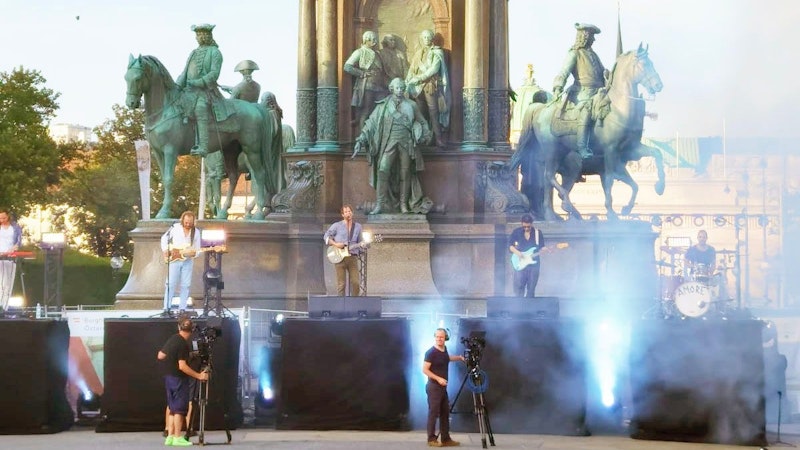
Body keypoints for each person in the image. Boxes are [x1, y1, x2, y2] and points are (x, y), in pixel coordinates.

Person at [353, 77, 433, 215]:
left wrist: (425, 135)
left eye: (402, 88)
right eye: (397, 88)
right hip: (388, 142)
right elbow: (370, 124)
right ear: (392, 89)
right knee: (383, 169)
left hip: (407, 143)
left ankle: (403, 205)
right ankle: (380, 204)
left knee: (405, 173)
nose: (400, 90)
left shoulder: (412, 105)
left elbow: (423, 122)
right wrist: (360, 140)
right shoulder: (383, 105)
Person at [552, 23, 608, 159]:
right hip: (582, 92)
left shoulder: (594, 55)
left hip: (599, 92)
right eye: (592, 36)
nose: (594, 39)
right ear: (585, 37)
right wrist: (558, 86)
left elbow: (601, 72)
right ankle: (582, 146)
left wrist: (607, 74)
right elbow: (564, 72)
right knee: (586, 111)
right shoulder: (574, 53)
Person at [176, 24, 232, 157]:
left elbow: (214, 74)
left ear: (207, 35)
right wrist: (177, 86)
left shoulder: (215, 52)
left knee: (200, 109)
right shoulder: (193, 53)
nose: (199, 37)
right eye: (197, 35)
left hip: (206, 91)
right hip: (189, 90)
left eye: (201, 34)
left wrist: (199, 82)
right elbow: (185, 72)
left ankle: (203, 146)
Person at [157, 316, 208, 447]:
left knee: (172, 407)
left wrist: (173, 357)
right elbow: (182, 366)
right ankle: (178, 437)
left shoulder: (173, 339)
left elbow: (160, 355)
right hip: (179, 379)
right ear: (192, 330)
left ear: (179, 327)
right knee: (179, 409)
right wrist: (199, 376)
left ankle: (170, 436)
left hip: (169, 377)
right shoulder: (183, 344)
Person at [406, 29, 450, 148]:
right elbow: (412, 69)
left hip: (429, 85)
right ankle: (423, 137)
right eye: (424, 37)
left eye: (428, 37)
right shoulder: (418, 53)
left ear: (432, 39)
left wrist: (419, 78)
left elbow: (434, 69)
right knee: (420, 112)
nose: (426, 39)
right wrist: (408, 80)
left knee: (433, 112)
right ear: (421, 39)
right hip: (417, 88)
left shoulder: (437, 52)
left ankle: (438, 139)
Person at [423, 328, 464, 447]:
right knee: (433, 413)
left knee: (445, 413)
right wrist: (438, 379)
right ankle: (431, 439)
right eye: (437, 337)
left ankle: (446, 439)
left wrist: (459, 358)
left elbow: (446, 358)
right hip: (434, 387)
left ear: (445, 338)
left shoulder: (444, 349)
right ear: (434, 337)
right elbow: (425, 370)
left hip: (442, 388)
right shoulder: (430, 352)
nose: (439, 339)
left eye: (441, 337)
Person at [344, 30, 387, 131]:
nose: (374, 42)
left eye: (375, 39)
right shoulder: (359, 52)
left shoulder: (378, 54)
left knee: (380, 110)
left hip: (380, 86)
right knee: (366, 111)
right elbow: (347, 67)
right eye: (372, 39)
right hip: (367, 85)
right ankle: (362, 137)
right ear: (366, 40)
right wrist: (362, 73)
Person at [161, 211, 201, 313]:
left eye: (190, 222)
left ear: (193, 222)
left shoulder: (196, 232)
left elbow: (198, 249)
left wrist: (194, 254)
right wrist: (165, 250)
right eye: (186, 222)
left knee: (186, 284)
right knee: (170, 284)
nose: (188, 224)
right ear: (182, 220)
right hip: (174, 259)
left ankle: (182, 308)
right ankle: (166, 308)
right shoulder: (175, 227)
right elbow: (164, 238)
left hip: (188, 261)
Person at [323, 205, 363, 296]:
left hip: (352, 257)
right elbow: (326, 236)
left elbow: (361, 241)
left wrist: (364, 245)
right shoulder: (337, 226)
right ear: (342, 214)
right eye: (346, 212)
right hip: (339, 258)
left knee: (356, 282)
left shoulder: (358, 226)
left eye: (349, 211)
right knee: (341, 284)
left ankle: (354, 302)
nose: (348, 213)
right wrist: (336, 244)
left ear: (352, 212)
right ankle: (341, 302)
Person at [508, 213, 546, 298]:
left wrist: (546, 250)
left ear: (531, 224)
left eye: (528, 227)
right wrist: (519, 253)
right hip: (520, 263)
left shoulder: (537, 233)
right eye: (524, 226)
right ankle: (518, 304)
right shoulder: (516, 232)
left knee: (531, 289)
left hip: (534, 265)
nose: (526, 228)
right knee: (519, 287)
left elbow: (542, 247)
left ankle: (530, 304)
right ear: (522, 224)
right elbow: (510, 246)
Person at [0, 209, 22, 311]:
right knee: (1, 283)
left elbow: (18, 242)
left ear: (8, 216)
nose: (2, 220)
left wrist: (13, 249)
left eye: (4, 218)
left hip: (10, 257)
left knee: (8, 284)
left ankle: (4, 308)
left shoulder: (15, 227)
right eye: (0, 218)